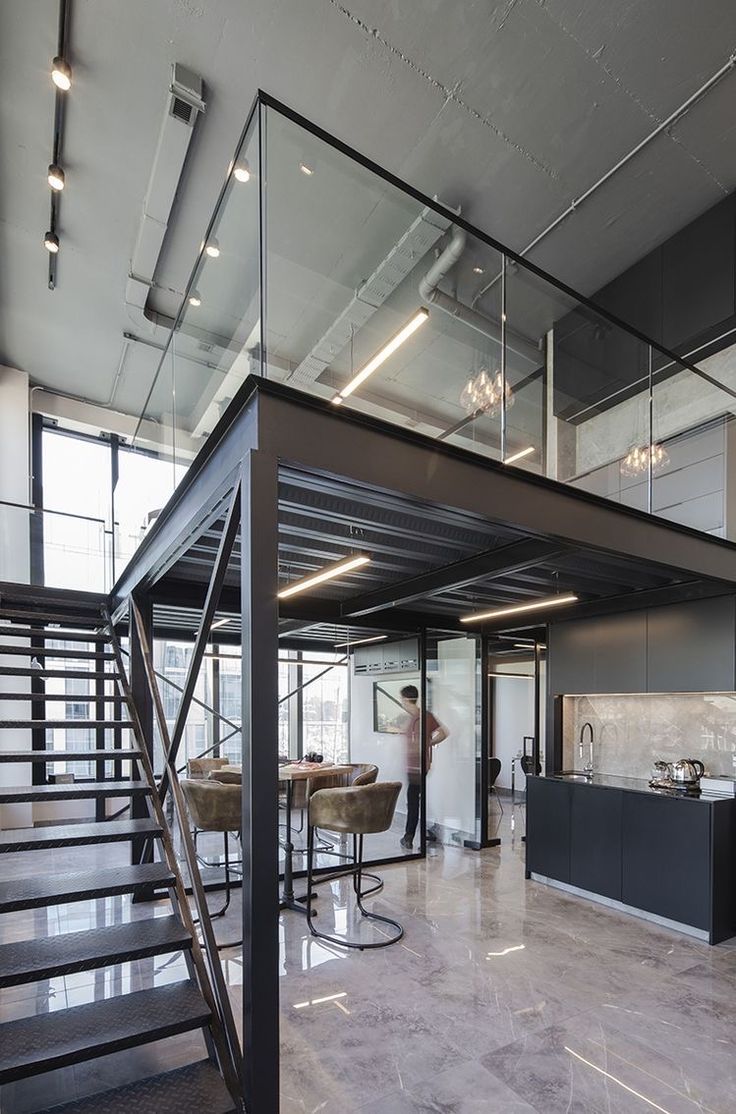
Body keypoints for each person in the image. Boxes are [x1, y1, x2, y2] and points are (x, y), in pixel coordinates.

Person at [398, 684, 447, 850]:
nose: (402, 702)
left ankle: (409, 836)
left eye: (402, 699)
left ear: (406, 699)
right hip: (415, 766)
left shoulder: (423, 717)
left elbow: (444, 733)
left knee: (413, 801)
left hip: (418, 767)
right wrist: (428, 743)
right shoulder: (415, 717)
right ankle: (422, 832)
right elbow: (443, 733)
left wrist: (428, 744)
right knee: (416, 800)